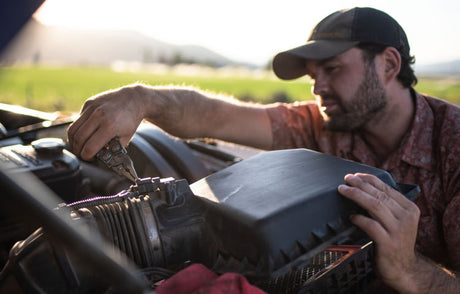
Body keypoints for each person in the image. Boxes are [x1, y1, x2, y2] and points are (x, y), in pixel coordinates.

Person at [67, 7, 460, 293]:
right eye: (312, 76)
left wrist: (411, 270)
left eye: (333, 69)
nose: (317, 87)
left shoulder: (454, 147)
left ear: (389, 64)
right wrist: (142, 98)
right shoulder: (318, 125)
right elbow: (217, 117)